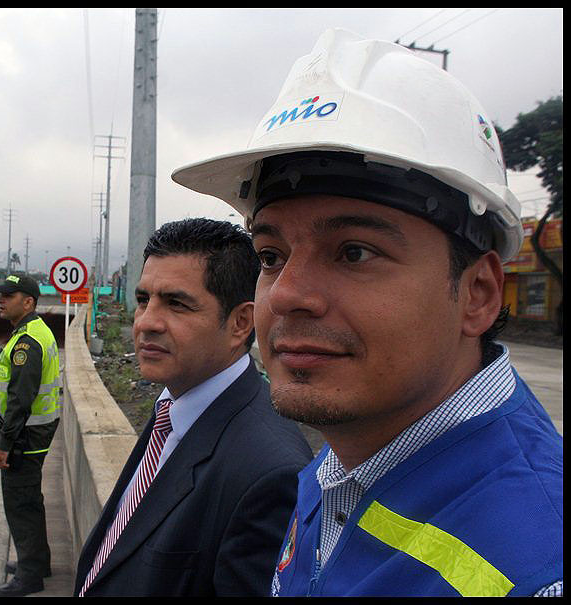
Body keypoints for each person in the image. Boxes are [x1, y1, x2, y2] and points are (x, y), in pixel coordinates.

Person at [171, 29, 562, 597]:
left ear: (477, 294)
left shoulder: (539, 567)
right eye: (271, 256)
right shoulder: (342, 466)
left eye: (354, 252)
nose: (285, 294)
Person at [74, 219, 312, 597]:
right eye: (143, 300)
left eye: (177, 304)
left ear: (240, 323)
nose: (146, 322)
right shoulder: (173, 406)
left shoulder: (270, 474)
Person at [0, 274, 61, 597]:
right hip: (35, 432)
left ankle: (29, 576)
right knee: (31, 500)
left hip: (25, 436)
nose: (1, 300)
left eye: (8, 295)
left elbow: (20, 399)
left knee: (20, 505)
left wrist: (4, 444)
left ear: (28, 302)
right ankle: (38, 562)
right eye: (0, 295)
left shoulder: (27, 343)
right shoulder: (35, 330)